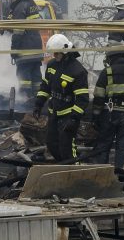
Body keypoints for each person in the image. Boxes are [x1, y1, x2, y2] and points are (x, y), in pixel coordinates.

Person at [33, 34, 89, 162]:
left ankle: (74, 172)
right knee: (52, 144)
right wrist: (38, 105)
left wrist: (74, 119)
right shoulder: (52, 65)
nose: (54, 56)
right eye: (53, 54)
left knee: (67, 149)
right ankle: (62, 166)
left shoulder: (78, 71)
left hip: (68, 116)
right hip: (54, 114)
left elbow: (82, 99)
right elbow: (45, 87)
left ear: (65, 51)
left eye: (57, 53)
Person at [2, 0, 44, 99]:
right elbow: (28, 27)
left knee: (24, 81)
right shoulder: (31, 4)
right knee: (36, 79)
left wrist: (13, 51)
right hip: (36, 50)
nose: (9, 1)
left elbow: (19, 32)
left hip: (25, 52)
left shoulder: (20, 7)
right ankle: (38, 101)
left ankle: (27, 103)